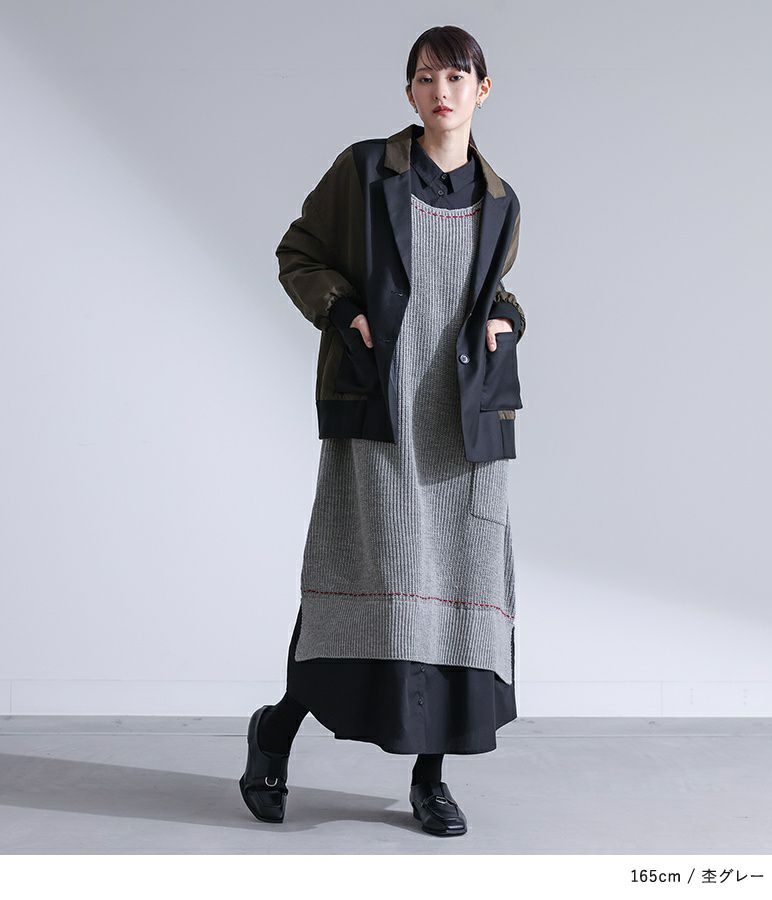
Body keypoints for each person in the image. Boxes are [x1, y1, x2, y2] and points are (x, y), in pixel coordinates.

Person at [239, 24, 526, 837]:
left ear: (483, 90)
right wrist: (345, 312)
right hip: (382, 410)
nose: (442, 91)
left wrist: (508, 319)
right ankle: (275, 730)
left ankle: (430, 778)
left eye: (457, 77)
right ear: (409, 92)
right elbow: (299, 253)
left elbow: (493, 292)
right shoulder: (366, 170)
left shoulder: (502, 201)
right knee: (361, 588)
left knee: (458, 595)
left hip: (463, 424)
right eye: (427, 78)